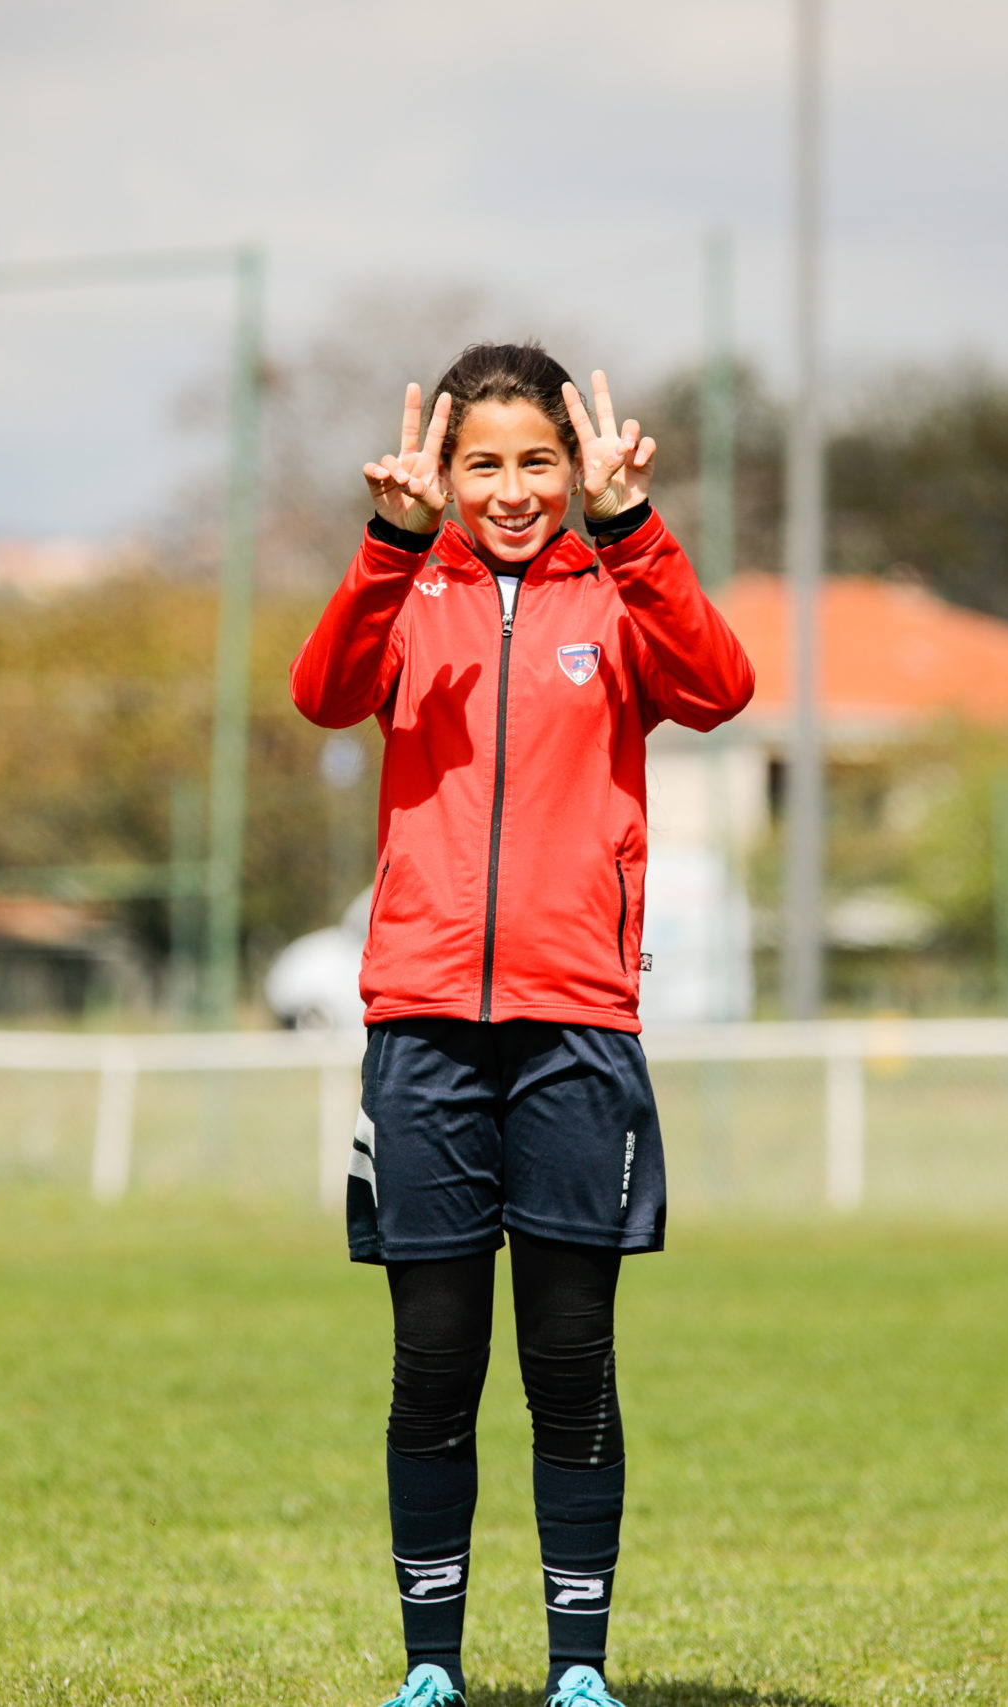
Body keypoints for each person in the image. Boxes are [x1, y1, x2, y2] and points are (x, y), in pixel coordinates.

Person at [290, 345, 754, 1707]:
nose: (508, 489)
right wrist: (389, 538)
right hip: (424, 1028)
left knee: (570, 1361)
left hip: (576, 1031)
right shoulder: (408, 587)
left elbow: (721, 689)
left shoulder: (618, 590)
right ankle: (430, 1665)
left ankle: (579, 1669)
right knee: (432, 1359)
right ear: (442, 469)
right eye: (480, 463)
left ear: (577, 463)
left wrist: (632, 530)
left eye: (535, 461)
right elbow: (322, 690)